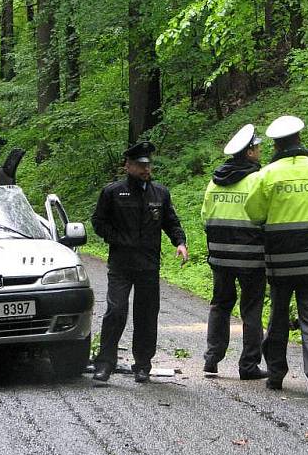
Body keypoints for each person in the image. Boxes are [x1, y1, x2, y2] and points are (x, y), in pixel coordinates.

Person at [244, 116, 308, 397]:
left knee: (278, 317)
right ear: (300, 138)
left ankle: (276, 374)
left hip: (281, 261)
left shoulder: (267, 174)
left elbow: (254, 214)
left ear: (275, 144)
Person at [91, 141, 189, 385]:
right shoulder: (113, 192)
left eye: (148, 165)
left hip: (148, 264)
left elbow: (171, 221)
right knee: (116, 311)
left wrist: (180, 242)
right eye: (140, 165)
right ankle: (105, 363)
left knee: (146, 315)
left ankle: (143, 365)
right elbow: (98, 222)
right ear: (128, 166)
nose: (146, 169)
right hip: (121, 264)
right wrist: (117, 239)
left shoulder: (160, 193)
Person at [201, 124, 268, 380]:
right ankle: (248, 366)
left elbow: (205, 217)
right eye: (258, 147)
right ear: (249, 153)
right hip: (251, 257)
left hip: (219, 257)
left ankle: (211, 359)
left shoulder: (214, 181)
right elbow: (265, 216)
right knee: (251, 309)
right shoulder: (257, 180)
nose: (260, 151)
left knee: (220, 305)